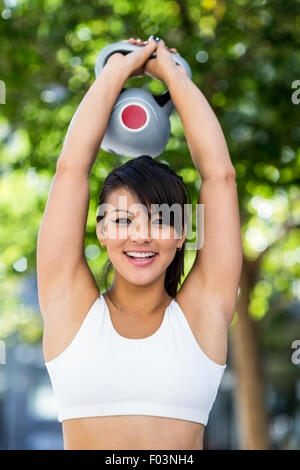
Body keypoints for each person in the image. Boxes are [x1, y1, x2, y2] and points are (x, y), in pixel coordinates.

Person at [37, 35, 243, 450]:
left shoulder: (201, 316)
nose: (141, 235)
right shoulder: (70, 308)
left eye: (160, 219)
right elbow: (71, 169)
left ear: (184, 229)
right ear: (101, 230)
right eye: (124, 219)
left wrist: (171, 74)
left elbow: (220, 177)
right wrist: (116, 68)